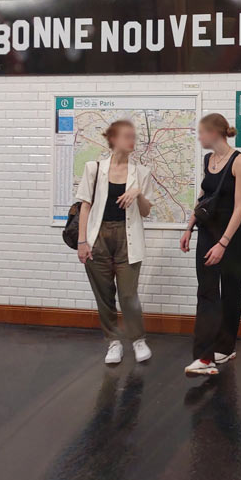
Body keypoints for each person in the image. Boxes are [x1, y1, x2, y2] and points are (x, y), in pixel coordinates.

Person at [76, 120, 155, 365]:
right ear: (113, 139)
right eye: (126, 136)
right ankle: (113, 342)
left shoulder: (141, 173)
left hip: (127, 237)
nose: (132, 140)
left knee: (128, 294)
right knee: (104, 293)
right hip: (97, 236)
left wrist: (138, 193)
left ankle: (138, 339)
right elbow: (85, 206)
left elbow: (145, 212)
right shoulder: (94, 168)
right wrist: (82, 241)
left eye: (134, 136)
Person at [179, 113, 241, 376]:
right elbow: (203, 197)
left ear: (214, 133)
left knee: (232, 291)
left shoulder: (239, 161)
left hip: (232, 237)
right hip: (207, 233)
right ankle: (205, 357)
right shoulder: (208, 159)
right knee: (207, 291)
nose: (198, 137)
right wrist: (189, 227)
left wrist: (223, 243)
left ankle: (226, 345)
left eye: (201, 132)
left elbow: (240, 208)